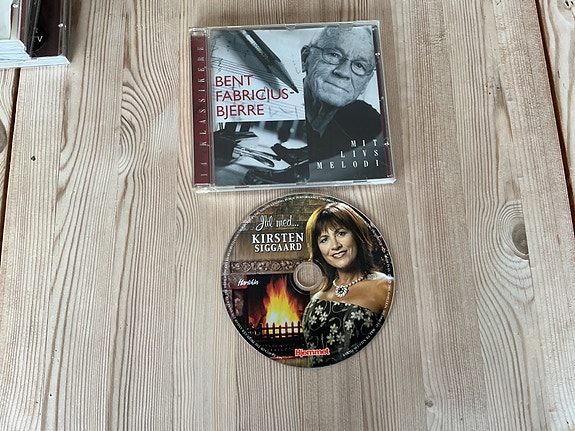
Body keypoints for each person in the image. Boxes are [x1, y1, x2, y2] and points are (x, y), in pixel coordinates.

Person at [301, 202, 393, 367]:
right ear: (318, 248)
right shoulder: (317, 297)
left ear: (356, 235)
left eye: (341, 233)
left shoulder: (386, 287)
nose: (335, 245)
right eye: (324, 239)